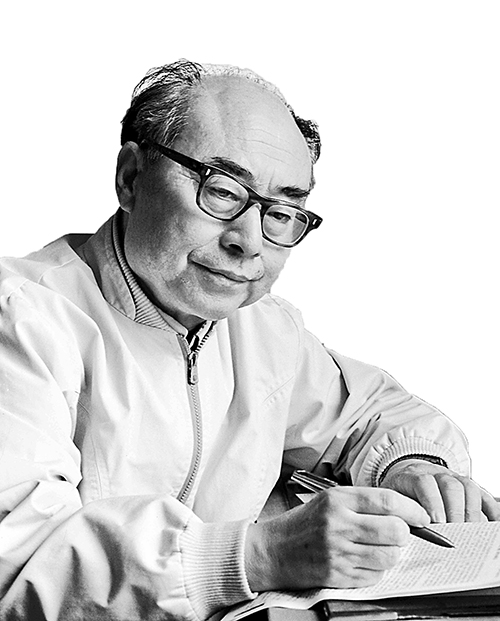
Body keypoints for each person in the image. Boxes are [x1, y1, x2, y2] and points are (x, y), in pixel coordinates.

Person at [0, 59, 498, 621]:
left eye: (281, 212)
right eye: (221, 190)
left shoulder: (261, 327)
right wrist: (259, 554)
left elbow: (371, 415)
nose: (249, 241)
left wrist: (413, 468)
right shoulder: (20, 319)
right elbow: (16, 563)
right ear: (131, 178)